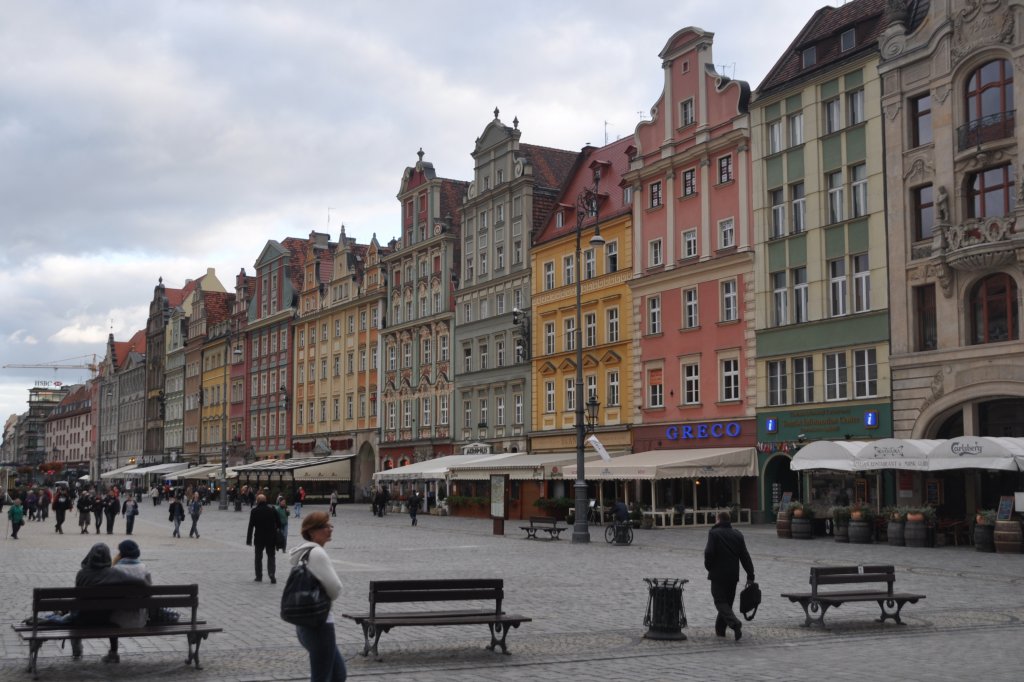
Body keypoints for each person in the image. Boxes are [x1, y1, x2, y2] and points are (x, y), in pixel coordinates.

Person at [290, 512, 345, 682]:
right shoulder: (317, 553)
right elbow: (335, 588)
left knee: (338, 674)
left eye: (330, 525)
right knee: (323, 676)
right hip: (320, 624)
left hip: (305, 623)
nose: (330, 529)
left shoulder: (303, 553)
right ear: (312, 531)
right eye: (325, 526)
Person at [704, 510, 755, 641]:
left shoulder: (714, 533)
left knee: (720, 601)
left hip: (718, 574)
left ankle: (734, 624)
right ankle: (720, 630)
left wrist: (709, 567)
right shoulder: (738, 534)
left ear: (718, 520)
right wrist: (750, 574)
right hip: (733, 575)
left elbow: (709, 553)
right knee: (727, 603)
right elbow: (745, 556)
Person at [247, 494, 282, 583]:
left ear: (257, 501)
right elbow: (279, 523)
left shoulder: (254, 511)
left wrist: (249, 540)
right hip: (271, 537)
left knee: (258, 557)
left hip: (259, 537)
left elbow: (251, 526)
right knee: (271, 556)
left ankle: (259, 576)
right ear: (265, 500)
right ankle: (271, 574)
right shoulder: (272, 510)